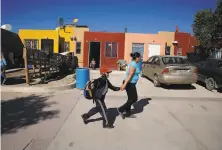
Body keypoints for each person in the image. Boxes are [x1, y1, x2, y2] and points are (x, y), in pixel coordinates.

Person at [117, 52, 141, 119]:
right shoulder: (134, 64)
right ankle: (120, 109)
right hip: (129, 83)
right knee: (134, 99)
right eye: (140, 57)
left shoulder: (132, 62)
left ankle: (128, 113)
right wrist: (124, 84)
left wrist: (124, 83)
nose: (140, 59)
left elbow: (128, 74)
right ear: (137, 58)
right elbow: (130, 74)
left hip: (129, 82)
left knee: (130, 99)